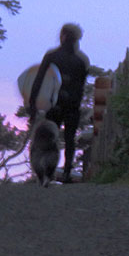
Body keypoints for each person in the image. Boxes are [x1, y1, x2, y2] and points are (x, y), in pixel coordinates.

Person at [29, 23, 90, 184]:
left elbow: (38, 81)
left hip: (54, 104)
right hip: (72, 106)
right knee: (70, 139)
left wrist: (32, 104)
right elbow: (81, 87)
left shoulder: (52, 57)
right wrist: (76, 104)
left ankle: (47, 173)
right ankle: (67, 173)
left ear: (62, 36)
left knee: (49, 140)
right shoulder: (81, 61)